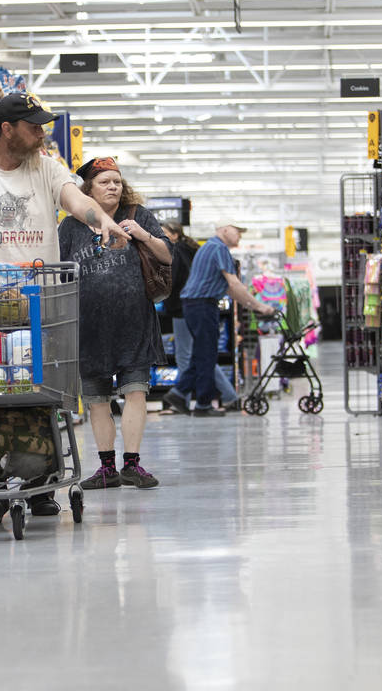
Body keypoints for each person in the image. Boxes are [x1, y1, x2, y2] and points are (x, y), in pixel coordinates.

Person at [0, 93, 130, 524]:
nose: (42, 134)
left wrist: (102, 221)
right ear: (6, 130)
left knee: (43, 395)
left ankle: (42, 478)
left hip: (41, 303)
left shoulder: (45, 167)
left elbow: (78, 202)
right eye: (34, 127)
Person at [59, 157, 171, 491]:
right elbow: (60, 271)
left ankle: (132, 465)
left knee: (136, 392)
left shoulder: (138, 215)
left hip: (133, 322)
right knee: (97, 399)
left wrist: (145, 236)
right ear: (88, 189)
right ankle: (106, 467)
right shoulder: (71, 225)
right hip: (89, 326)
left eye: (117, 182)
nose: (113, 187)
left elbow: (167, 256)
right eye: (105, 182)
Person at [163, 223, 276, 417]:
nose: (240, 235)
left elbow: (230, 289)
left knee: (202, 353)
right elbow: (233, 283)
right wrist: (260, 306)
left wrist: (252, 304)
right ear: (224, 229)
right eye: (237, 231)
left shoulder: (209, 247)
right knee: (206, 354)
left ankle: (180, 394)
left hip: (194, 305)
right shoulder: (219, 248)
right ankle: (202, 404)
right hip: (202, 305)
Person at [161, 220, 240, 412]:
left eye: (163, 233)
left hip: (183, 307)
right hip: (193, 305)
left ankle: (184, 399)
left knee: (188, 356)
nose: (160, 237)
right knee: (202, 353)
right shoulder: (193, 249)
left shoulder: (177, 252)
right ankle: (218, 397)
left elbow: (173, 280)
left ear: (175, 234)